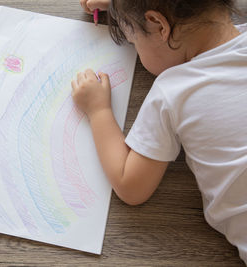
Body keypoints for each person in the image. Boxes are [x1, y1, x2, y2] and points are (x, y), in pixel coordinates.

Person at [73, 0, 247, 263]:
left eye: (133, 41)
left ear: (157, 25)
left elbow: (131, 186)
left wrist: (98, 111)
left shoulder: (175, 89)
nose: (136, 49)